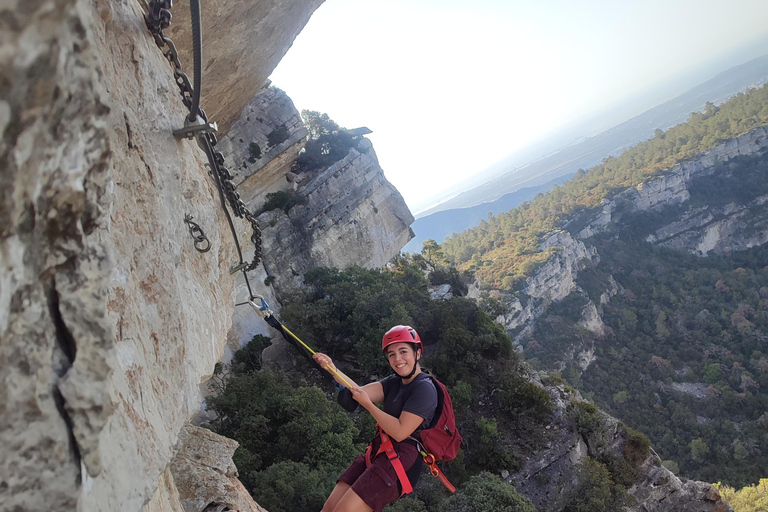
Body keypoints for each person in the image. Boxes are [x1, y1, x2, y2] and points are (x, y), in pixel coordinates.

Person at [312, 325, 438, 512]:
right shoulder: (394, 382)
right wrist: (332, 369)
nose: (397, 359)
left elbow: (401, 431)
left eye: (403, 351)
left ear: (417, 353)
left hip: (401, 461)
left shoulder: (425, 390)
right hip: (381, 451)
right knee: (329, 508)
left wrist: (369, 405)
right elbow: (359, 392)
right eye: (392, 354)